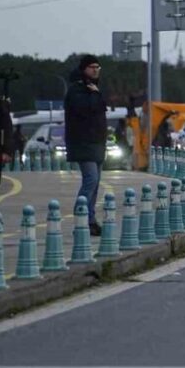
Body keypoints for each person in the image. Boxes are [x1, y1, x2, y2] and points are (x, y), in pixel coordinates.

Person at [65, 55, 108, 237]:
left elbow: (101, 108)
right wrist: (95, 94)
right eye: (92, 67)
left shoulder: (94, 89)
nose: (95, 70)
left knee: (96, 183)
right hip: (83, 142)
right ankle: (81, 216)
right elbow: (87, 109)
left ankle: (90, 220)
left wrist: (97, 94)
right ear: (84, 69)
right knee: (90, 179)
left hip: (96, 142)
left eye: (98, 67)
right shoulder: (77, 89)